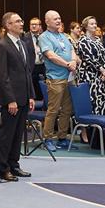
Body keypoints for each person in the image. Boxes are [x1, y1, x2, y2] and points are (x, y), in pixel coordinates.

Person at [0, 12, 35, 181]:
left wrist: (31, 95)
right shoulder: (1, 45)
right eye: (17, 21)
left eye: (21, 20)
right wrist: (10, 99)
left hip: (24, 96)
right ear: (8, 25)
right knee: (7, 135)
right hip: (11, 99)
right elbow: (2, 76)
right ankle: (4, 168)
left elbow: (27, 72)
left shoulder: (22, 44)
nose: (21, 23)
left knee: (18, 134)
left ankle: (14, 165)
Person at [39, 10, 77, 151]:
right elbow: (50, 55)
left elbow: (72, 50)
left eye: (59, 18)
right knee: (53, 110)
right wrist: (67, 64)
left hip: (69, 77)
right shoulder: (44, 37)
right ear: (47, 21)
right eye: (55, 19)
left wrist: (73, 61)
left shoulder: (63, 36)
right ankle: (47, 139)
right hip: (56, 78)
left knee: (67, 110)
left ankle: (62, 138)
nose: (58, 21)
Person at [76, 16, 105, 116]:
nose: (95, 25)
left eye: (95, 23)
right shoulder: (82, 41)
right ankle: (90, 124)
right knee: (91, 100)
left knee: (101, 99)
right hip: (88, 75)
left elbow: (104, 56)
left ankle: (100, 123)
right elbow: (89, 58)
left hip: (100, 76)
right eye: (92, 24)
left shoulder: (97, 39)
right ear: (86, 26)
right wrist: (102, 70)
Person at [28, 17, 45, 101]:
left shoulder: (44, 37)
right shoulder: (24, 37)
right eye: (32, 24)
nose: (34, 26)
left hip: (43, 65)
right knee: (34, 90)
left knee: (43, 89)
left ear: (40, 26)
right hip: (31, 67)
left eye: (35, 24)